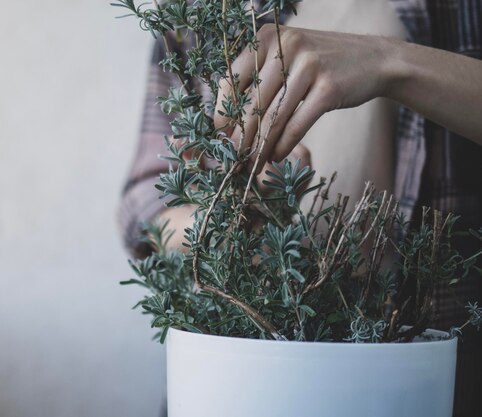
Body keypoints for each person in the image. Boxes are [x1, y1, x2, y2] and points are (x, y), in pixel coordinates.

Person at [118, 1, 481, 416]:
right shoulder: (199, 10)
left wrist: (391, 60)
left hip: (414, 374)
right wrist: (230, 217)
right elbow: (146, 203)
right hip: (239, 372)